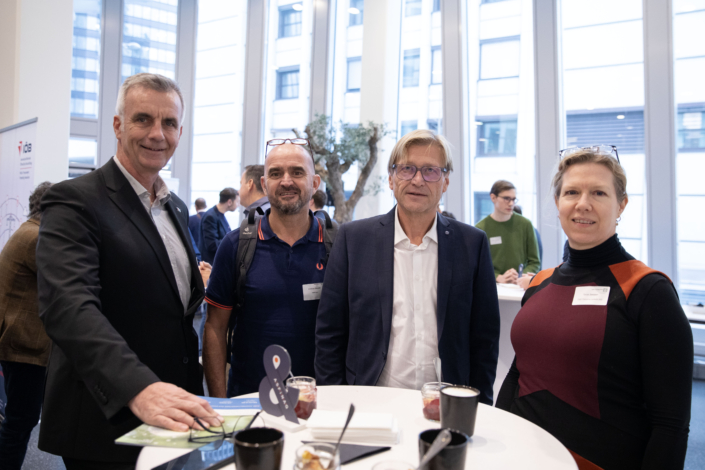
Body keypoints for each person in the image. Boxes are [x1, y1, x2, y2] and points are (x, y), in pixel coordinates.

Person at [36, 73, 220, 469]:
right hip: (107, 418)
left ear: (180, 132)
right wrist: (139, 388)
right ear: (118, 125)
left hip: (174, 409)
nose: (157, 134)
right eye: (143, 119)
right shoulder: (74, 200)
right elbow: (68, 307)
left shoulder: (176, 207)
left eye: (169, 123)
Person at [496, 146, 693, 470]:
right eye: (572, 192)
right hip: (521, 456)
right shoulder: (540, 284)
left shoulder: (648, 291)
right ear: (558, 202)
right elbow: (519, 373)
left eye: (598, 193)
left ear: (621, 204)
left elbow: (670, 425)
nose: (583, 203)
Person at [315, 130, 500, 404]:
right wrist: (336, 400)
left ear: (446, 181)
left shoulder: (472, 244)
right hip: (370, 399)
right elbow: (330, 331)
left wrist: (478, 407)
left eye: (430, 171)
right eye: (407, 169)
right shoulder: (353, 240)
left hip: (446, 403)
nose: (417, 180)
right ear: (391, 178)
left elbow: (485, 338)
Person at [203, 140, 328, 398]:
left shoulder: (336, 247)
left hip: (320, 400)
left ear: (315, 183)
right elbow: (215, 328)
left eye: (297, 172)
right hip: (249, 400)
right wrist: (220, 404)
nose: (286, 181)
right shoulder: (236, 245)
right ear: (264, 184)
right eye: (275, 173)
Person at [0, 182, 52, 470]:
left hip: (19, 342)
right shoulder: (36, 238)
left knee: (18, 420)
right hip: (24, 346)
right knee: (20, 422)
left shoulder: (28, 230)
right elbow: (61, 278)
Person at [475, 180, 540, 289]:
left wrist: (521, 276)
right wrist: (497, 277)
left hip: (520, 288)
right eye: (506, 198)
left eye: (513, 199)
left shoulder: (526, 225)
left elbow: (535, 262)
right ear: (493, 197)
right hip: (493, 287)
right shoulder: (480, 229)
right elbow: (477, 266)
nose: (511, 203)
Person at [198, 187, 239, 264]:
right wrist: (234, 240)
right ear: (229, 202)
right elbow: (212, 245)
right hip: (210, 264)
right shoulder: (210, 216)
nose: (238, 205)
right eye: (237, 202)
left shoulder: (221, 215)